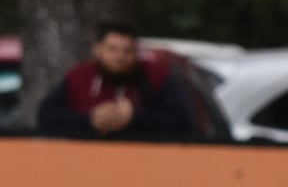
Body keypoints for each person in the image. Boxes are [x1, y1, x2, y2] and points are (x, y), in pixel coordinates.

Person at [35, 22, 191, 140]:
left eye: (128, 51)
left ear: (137, 53)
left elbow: (183, 121)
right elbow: (46, 115)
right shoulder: (79, 76)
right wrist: (90, 119)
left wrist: (134, 119)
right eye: (112, 49)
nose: (120, 57)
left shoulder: (156, 76)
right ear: (97, 50)